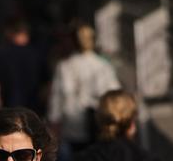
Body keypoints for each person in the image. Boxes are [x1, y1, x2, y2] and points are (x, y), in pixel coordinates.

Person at [48, 23, 120, 154]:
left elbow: (56, 99)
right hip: (98, 124)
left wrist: (54, 124)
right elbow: (115, 96)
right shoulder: (103, 66)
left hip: (72, 125)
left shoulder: (64, 66)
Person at [0, 18, 49, 116]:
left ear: (9, 33)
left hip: (9, 113)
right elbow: (46, 88)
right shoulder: (38, 55)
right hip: (33, 115)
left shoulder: (1, 56)